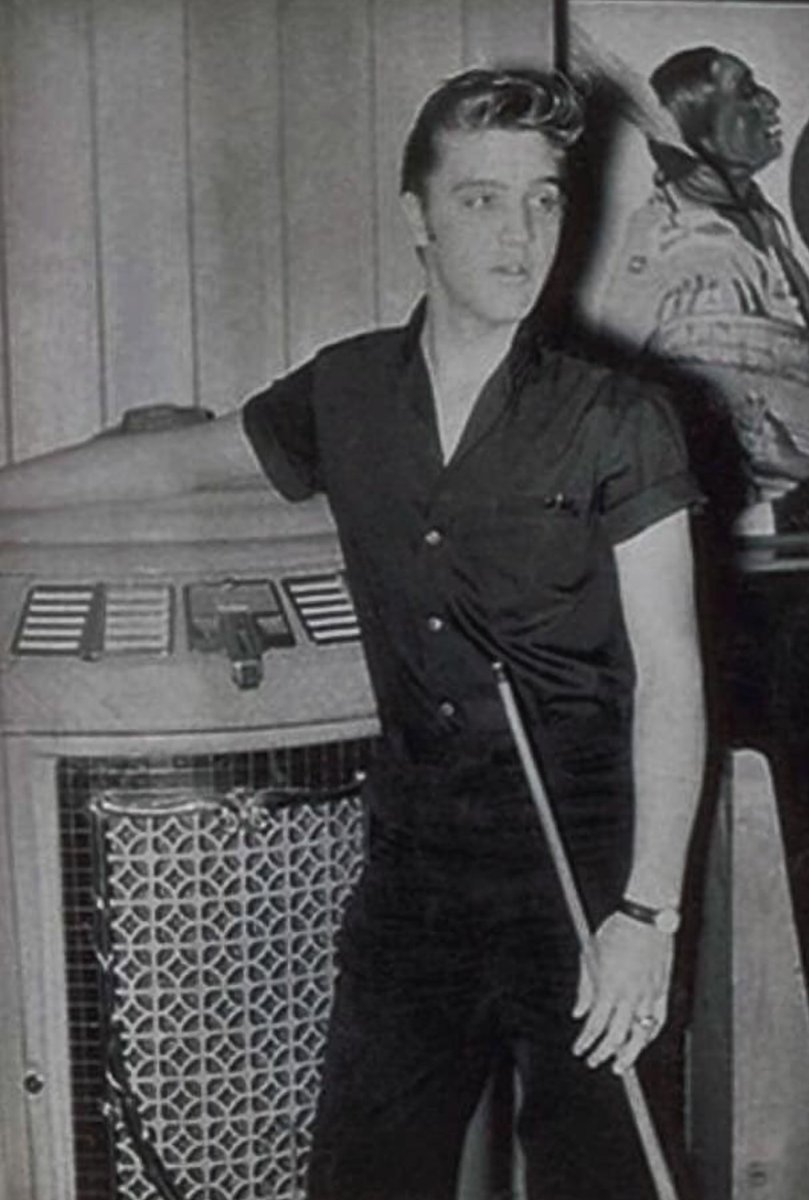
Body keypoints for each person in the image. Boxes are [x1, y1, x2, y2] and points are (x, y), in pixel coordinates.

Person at [0, 67, 705, 1199]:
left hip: (584, 867)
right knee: (365, 1176)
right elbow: (179, 461)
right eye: (480, 199)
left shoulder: (619, 419)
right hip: (414, 874)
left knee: (600, 1178)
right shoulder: (349, 391)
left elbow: (670, 676)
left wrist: (646, 915)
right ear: (417, 217)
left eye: (542, 199)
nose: (518, 234)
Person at [599, 46, 809, 535]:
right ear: (702, 129)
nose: (771, 102)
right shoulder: (663, 235)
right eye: (748, 92)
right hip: (740, 525)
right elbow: (610, 376)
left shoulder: (767, 222)